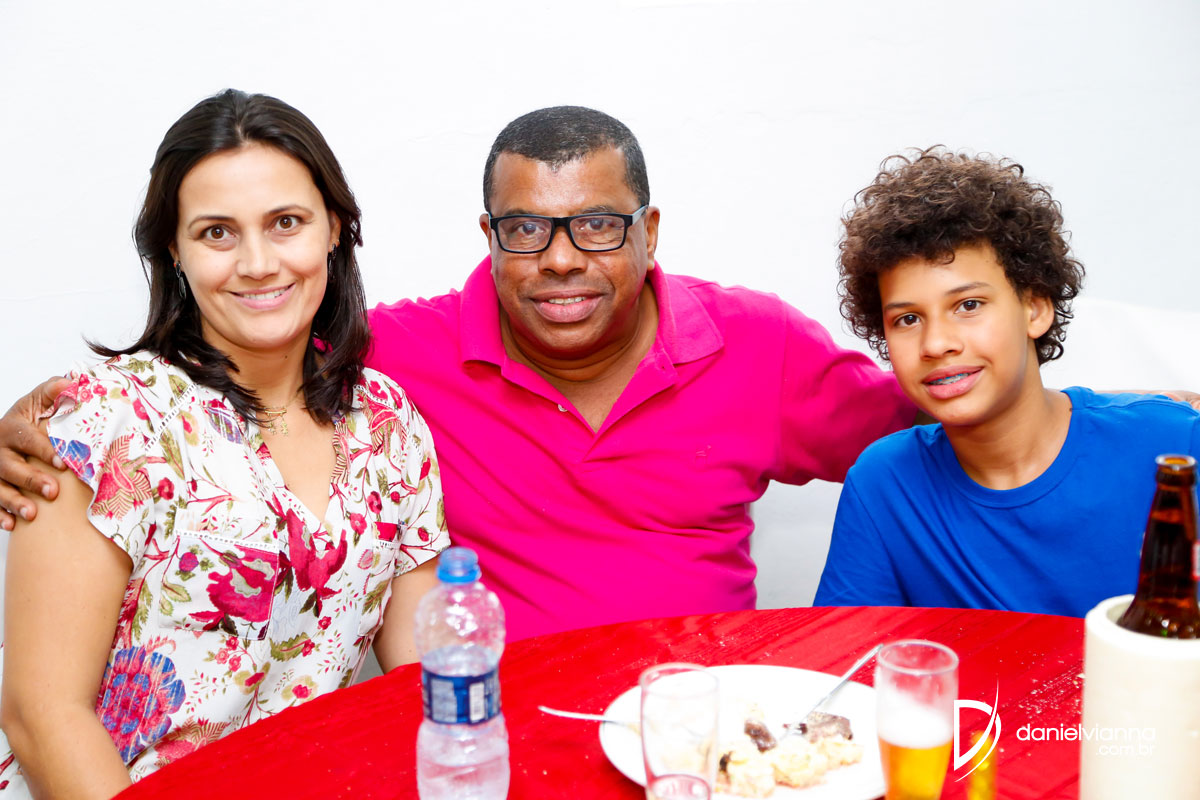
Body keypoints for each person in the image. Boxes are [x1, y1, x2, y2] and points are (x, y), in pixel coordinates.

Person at [0, 106, 916, 641]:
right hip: (495, 742)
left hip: (700, 735)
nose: (561, 258)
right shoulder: (394, 361)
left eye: (598, 225)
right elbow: (240, 351)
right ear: (489, 236)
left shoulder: (755, 344)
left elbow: (940, 437)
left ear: (649, 231)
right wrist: (52, 417)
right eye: (526, 229)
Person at [0, 90, 448, 795]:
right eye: (217, 233)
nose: (258, 262)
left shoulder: (388, 421)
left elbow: (423, 673)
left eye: (286, 223)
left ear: (334, 228)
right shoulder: (108, 421)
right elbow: (41, 714)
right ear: (173, 251)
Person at [813, 148, 1200, 616]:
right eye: (908, 318)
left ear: (1035, 309)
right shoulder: (885, 484)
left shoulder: (1173, 446)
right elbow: (845, 653)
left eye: (968, 305)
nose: (936, 343)